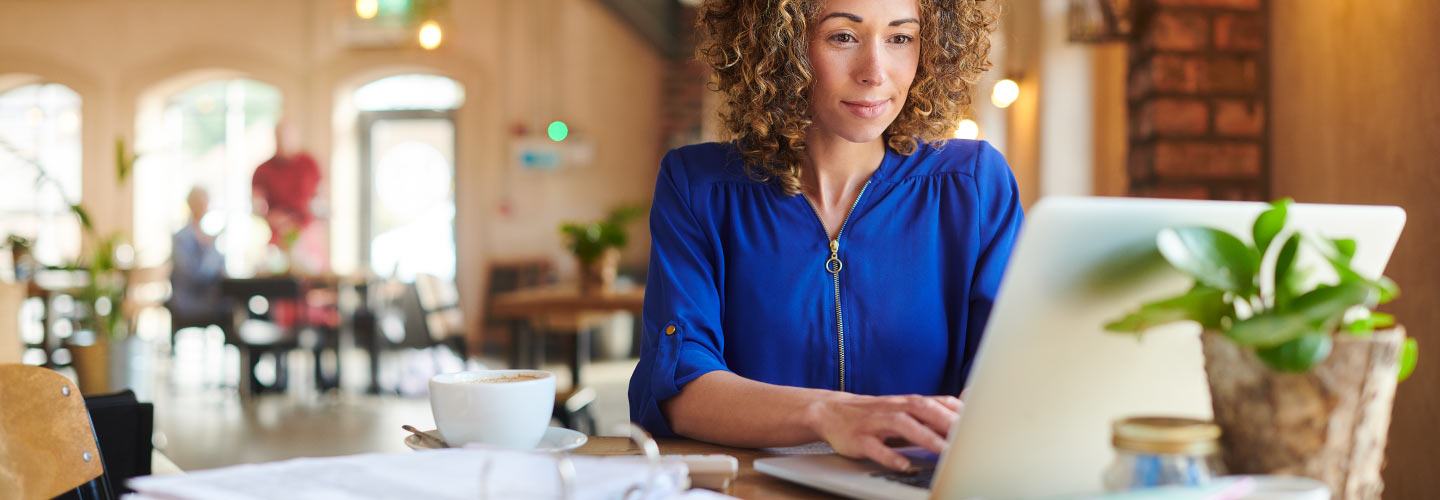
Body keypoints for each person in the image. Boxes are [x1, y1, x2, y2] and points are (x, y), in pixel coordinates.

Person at [628, 0, 1020, 471]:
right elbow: (679, 387)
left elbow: (1011, 366)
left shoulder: (973, 184)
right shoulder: (698, 185)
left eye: (900, 38)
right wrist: (829, 415)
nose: (875, 72)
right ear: (779, 46)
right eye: (843, 37)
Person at [251, 120, 321, 252]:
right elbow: (257, 205)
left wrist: (302, 218)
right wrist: (270, 217)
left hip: (307, 232)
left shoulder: (309, 164)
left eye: (287, 137)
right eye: (280, 137)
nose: (283, 142)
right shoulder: (262, 170)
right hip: (277, 234)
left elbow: (320, 198)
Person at [168, 187, 228, 323]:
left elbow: (221, 267)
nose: (204, 207)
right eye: (200, 202)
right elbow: (192, 274)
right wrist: (207, 249)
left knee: (233, 304)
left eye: (205, 202)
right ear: (191, 204)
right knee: (228, 309)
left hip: (210, 298)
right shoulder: (181, 238)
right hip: (187, 301)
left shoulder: (208, 235)